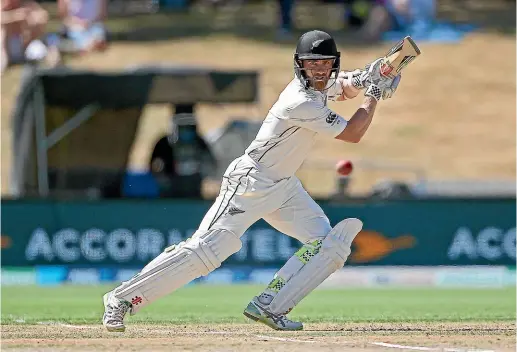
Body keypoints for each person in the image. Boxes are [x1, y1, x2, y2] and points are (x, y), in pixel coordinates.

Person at [102, 29, 402, 332]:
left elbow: (347, 86)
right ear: (299, 65)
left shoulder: (321, 87)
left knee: (330, 246)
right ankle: (121, 299)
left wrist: (371, 76)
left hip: (284, 186)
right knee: (206, 252)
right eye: (313, 63)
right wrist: (375, 94)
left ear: (334, 63)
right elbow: (353, 133)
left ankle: (271, 305)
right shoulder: (299, 101)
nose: (320, 69)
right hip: (251, 182)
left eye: (325, 63)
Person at [1, 0, 49, 73]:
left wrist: (30, 20)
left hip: (24, 47)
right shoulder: (2, 5)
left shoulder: (27, 5)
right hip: (6, 48)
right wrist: (14, 16)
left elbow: (44, 15)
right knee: (3, 30)